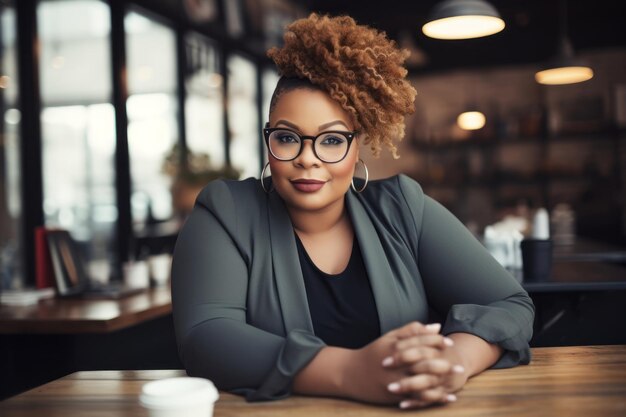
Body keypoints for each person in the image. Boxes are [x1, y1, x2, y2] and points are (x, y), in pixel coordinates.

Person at [171, 13, 534, 410]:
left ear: (356, 146)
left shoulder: (403, 209)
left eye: (330, 140)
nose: (307, 159)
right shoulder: (226, 212)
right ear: (268, 140)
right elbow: (206, 336)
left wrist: (454, 360)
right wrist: (350, 371)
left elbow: (509, 305)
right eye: (288, 137)